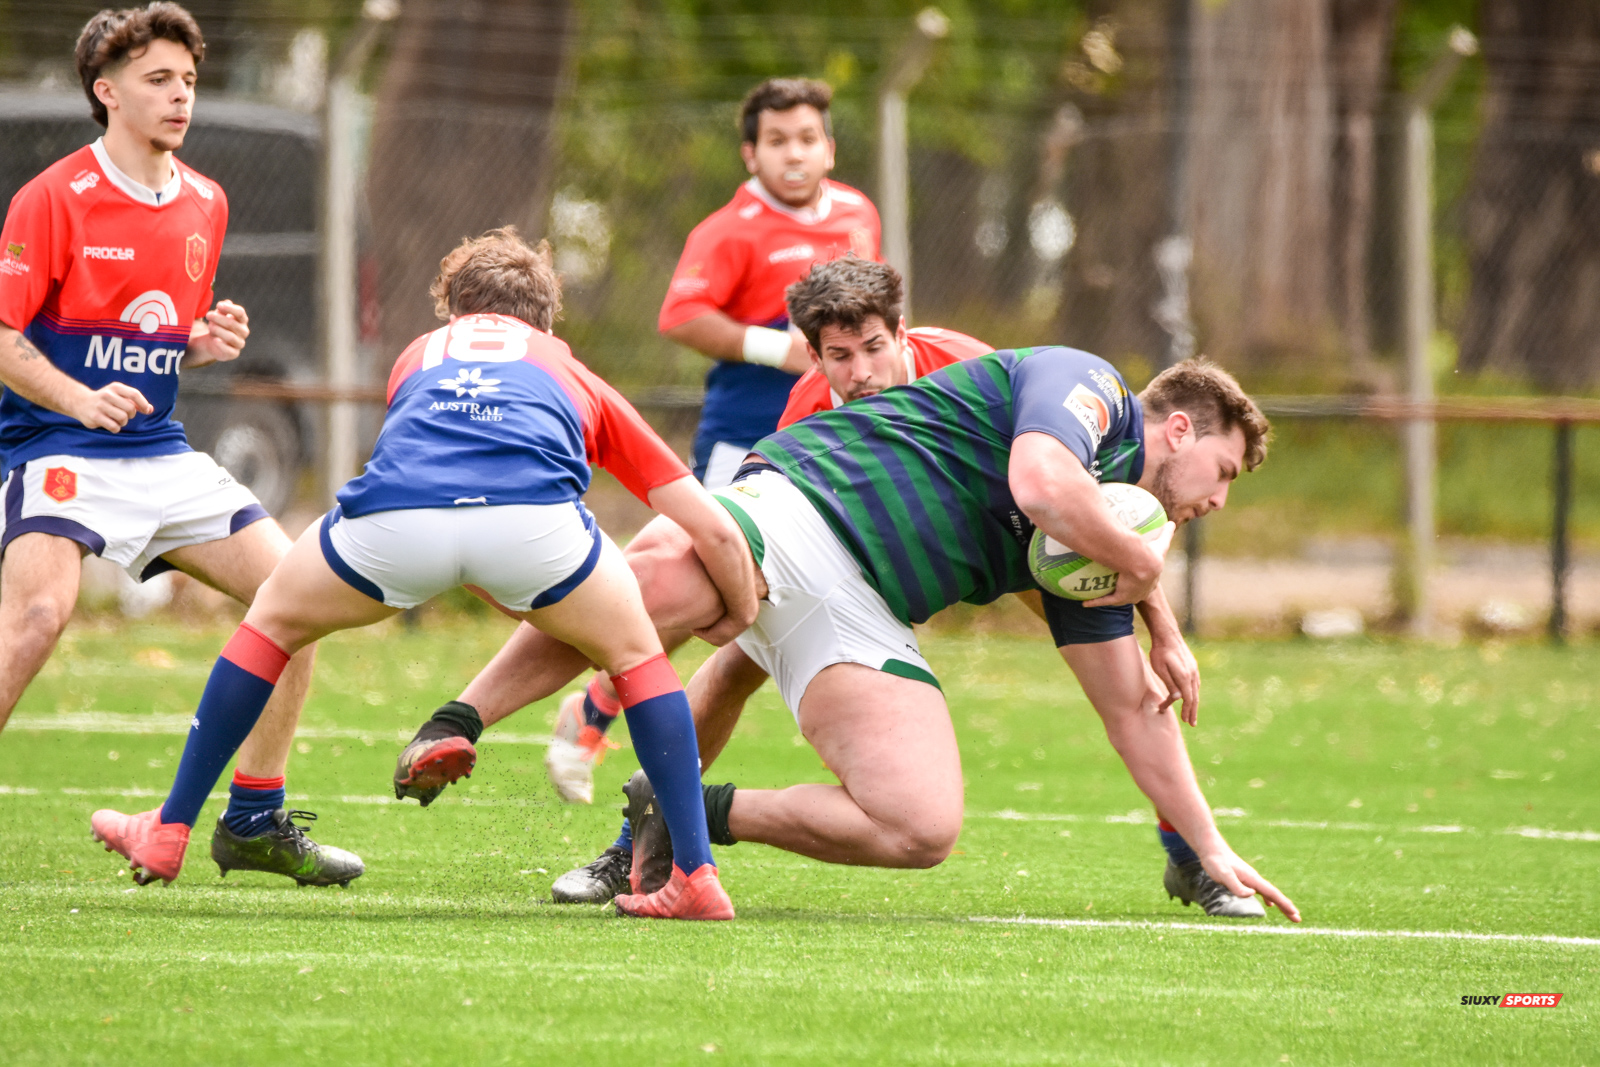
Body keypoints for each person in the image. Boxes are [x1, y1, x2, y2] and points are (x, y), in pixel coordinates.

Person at [391, 335, 1301, 922]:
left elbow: (1130, 708)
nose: (1216, 501)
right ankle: (458, 718)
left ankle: (693, 811)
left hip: (862, 613)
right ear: (1178, 428)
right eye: (1221, 472)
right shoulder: (1089, 385)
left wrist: (1209, 842)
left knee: (921, 826)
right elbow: (1038, 484)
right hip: (805, 507)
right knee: (652, 592)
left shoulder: (1088, 559)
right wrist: (1150, 579)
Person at [89, 228, 758, 919]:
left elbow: (431, 468)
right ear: (548, 320)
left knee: (272, 619)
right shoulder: (571, 369)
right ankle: (694, 875)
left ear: (452, 312)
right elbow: (707, 523)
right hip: (534, 528)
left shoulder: (417, 356)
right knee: (637, 657)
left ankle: (170, 826)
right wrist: (736, 611)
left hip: (396, 523)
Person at [0, 3, 360, 886]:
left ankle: (254, 819)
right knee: (39, 616)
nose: (180, 97)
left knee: (297, 602)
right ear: (107, 91)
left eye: (189, 81)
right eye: (159, 80)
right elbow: (5, 338)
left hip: (160, 453)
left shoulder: (206, 201)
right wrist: (80, 399)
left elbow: (152, 335)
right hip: (59, 448)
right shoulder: (51, 198)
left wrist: (200, 343)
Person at [541, 257, 991, 805]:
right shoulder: (808, 399)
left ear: (901, 333)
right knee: (717, 612)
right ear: (817, 357)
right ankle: (625, 783)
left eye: (874, 348)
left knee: (1062, 579)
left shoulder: (965, 367)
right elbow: (681, 317)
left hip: (974, 533)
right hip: (763, 481)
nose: (862, 373)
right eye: (840, 356)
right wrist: (770, 347)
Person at [659, 77, 880, 493]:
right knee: (723, 547)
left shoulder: (859, 212)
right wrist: (780, 349)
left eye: (807, 139)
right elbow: (680, 317)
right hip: (747, 431)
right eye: (777, 141)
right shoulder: (726, 231)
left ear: (829, 150)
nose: (794, 154)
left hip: (841, 428)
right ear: (751, 156)